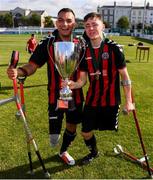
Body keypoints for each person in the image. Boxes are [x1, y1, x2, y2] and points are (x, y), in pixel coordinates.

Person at [7, 8, 84, 166]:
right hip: (54, 95)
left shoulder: (82, 43)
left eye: (69, 20)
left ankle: (64, 151)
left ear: (74, 23)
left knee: (72, 125)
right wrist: (19, 71)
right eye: (61, 20)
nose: (64, 24)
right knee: (54, 134)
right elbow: (33, 65)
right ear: (56, 22)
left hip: (75, 95)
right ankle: (55, 134)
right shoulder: (47, 43)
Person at [68, 12, 134, 165]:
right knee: (85, 132)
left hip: (111, 100)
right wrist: (73, 84)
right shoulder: (84, 52)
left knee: (108, 127)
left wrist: (129, 101)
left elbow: (125, 76)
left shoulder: (114, 48)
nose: (91, 28)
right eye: (87, 26)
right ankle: (94, 152)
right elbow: (82, 80)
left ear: (103, 26)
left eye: (95, 24)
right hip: (92, 99)